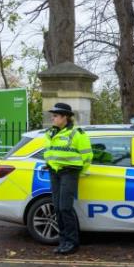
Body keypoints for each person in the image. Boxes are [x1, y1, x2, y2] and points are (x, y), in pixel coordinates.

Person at [44, 103, 93, 255]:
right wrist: (50, 165)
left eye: (56, 115)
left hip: (69, 172)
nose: (53, 118)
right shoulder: (50, 133)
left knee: (65, 207)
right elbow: (49, 153)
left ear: (65, 117)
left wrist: (80, 171)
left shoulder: (77, 134)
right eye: (53, 115)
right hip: (55, 172)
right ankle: (63, 240)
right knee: (57, 208)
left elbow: (87, 156)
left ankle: (72, 242)